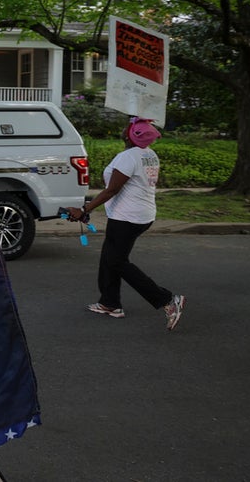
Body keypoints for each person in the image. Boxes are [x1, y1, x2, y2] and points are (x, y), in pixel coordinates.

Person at [66, 117, 186, 331]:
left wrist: (85, 209)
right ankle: (110, 303)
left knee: (117, 261)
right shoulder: (149, 155)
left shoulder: (128, 157)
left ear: (132, 135)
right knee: (109, 257)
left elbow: (113, 189)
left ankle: (167, 299)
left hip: (127, 218)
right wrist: (89, 207)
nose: (123, 130)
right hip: (138, 214)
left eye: (128, 128)